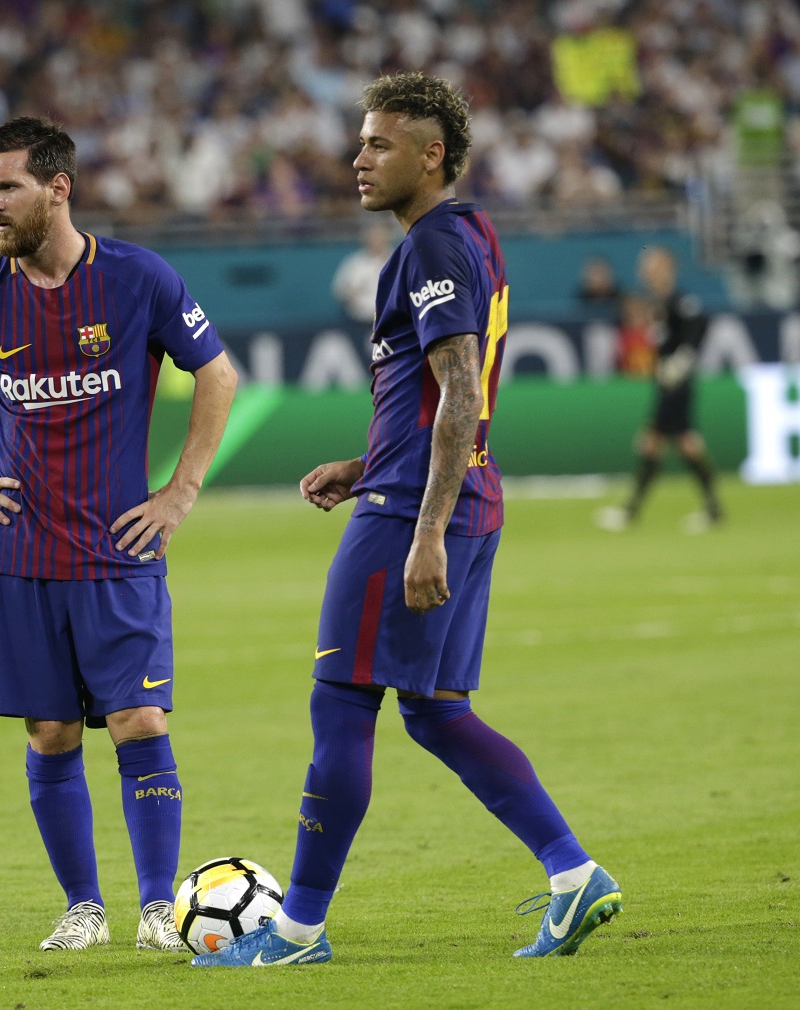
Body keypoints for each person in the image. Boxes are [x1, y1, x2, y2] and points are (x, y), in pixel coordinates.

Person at [192, 71, 622, 969]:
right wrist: (366, 464)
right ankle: (572, 872)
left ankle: (296, 932)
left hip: (417, 516)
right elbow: (442, 397)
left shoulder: (430, 246)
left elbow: (462, 389)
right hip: (450, 495)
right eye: (360, 140)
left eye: (379, 142)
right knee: (432, 710)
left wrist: (422, 527)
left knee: (341, 702)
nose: (358, 157)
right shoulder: (472, 236)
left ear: (432, 156)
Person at [0, 117, 237, 953]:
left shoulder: (138, 278)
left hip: (119, 551)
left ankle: (159, 910)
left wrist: (180, 490)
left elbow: (217, 372)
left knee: (141, 723)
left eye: (6, 185)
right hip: (20, 559)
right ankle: (83, 907)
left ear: (59, 188)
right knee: (50, 734)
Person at [598, 246, 723, 533]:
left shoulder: (679, 300)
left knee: (656, 442)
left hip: (676, 385)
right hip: (667, 382)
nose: (644, 271)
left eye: (650, 265)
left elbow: (698, 328)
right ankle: (712, 509)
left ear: (666, 268)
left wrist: (681, 362)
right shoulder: (659, 303)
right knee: (681, 443)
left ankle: (632, 512)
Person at [331, 223, 395, 323]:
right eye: (373, 237)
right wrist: (351, 292)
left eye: (380, 237)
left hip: (392, 320)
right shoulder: (355, 263)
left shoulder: (398, 260)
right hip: (360, 320)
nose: (377, 241)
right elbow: (340, 291)